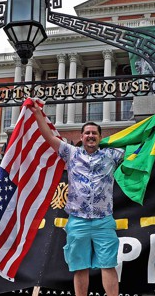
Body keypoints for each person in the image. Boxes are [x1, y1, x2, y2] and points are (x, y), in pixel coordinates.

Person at [29, 100, 124, 296]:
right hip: (78, 221)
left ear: (100, 137)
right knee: (79, 266)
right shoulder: (70, 153)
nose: (91, 136)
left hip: (103, 221)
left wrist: (154, 129)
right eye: (87, 133)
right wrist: (38, 114)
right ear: (81, 137)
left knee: (108, 264)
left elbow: (139, 148)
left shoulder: (112, 155)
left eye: (94, 133)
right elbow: (48, 136)